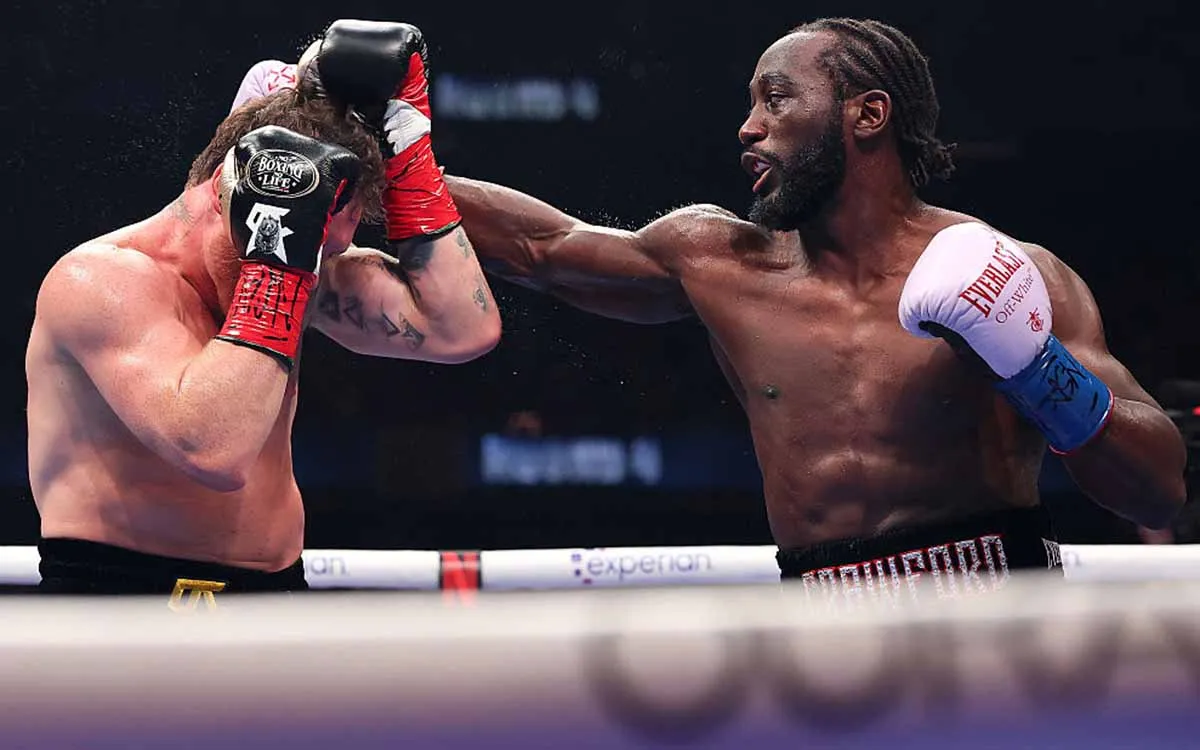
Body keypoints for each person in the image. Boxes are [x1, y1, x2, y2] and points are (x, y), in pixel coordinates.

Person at [444, 18, 1186, 597]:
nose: (748, 127)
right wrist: (393, 154)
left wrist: (1034, 368)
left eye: (777, 97)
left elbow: (1157, 491)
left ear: (867, 115)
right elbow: (544, 247)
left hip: (996, 615)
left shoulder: (1008, 272)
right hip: (822, 630)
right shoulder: (721, 262)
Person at [26, 26, 501, 594]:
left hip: (274, 590)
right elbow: (213, 449)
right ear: (234, 189)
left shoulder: (308, 262)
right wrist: (280, 261)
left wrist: (411, 162)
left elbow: (461, 331)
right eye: (316, 240)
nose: (327, 258)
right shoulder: (101, 281)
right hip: (127, 595)